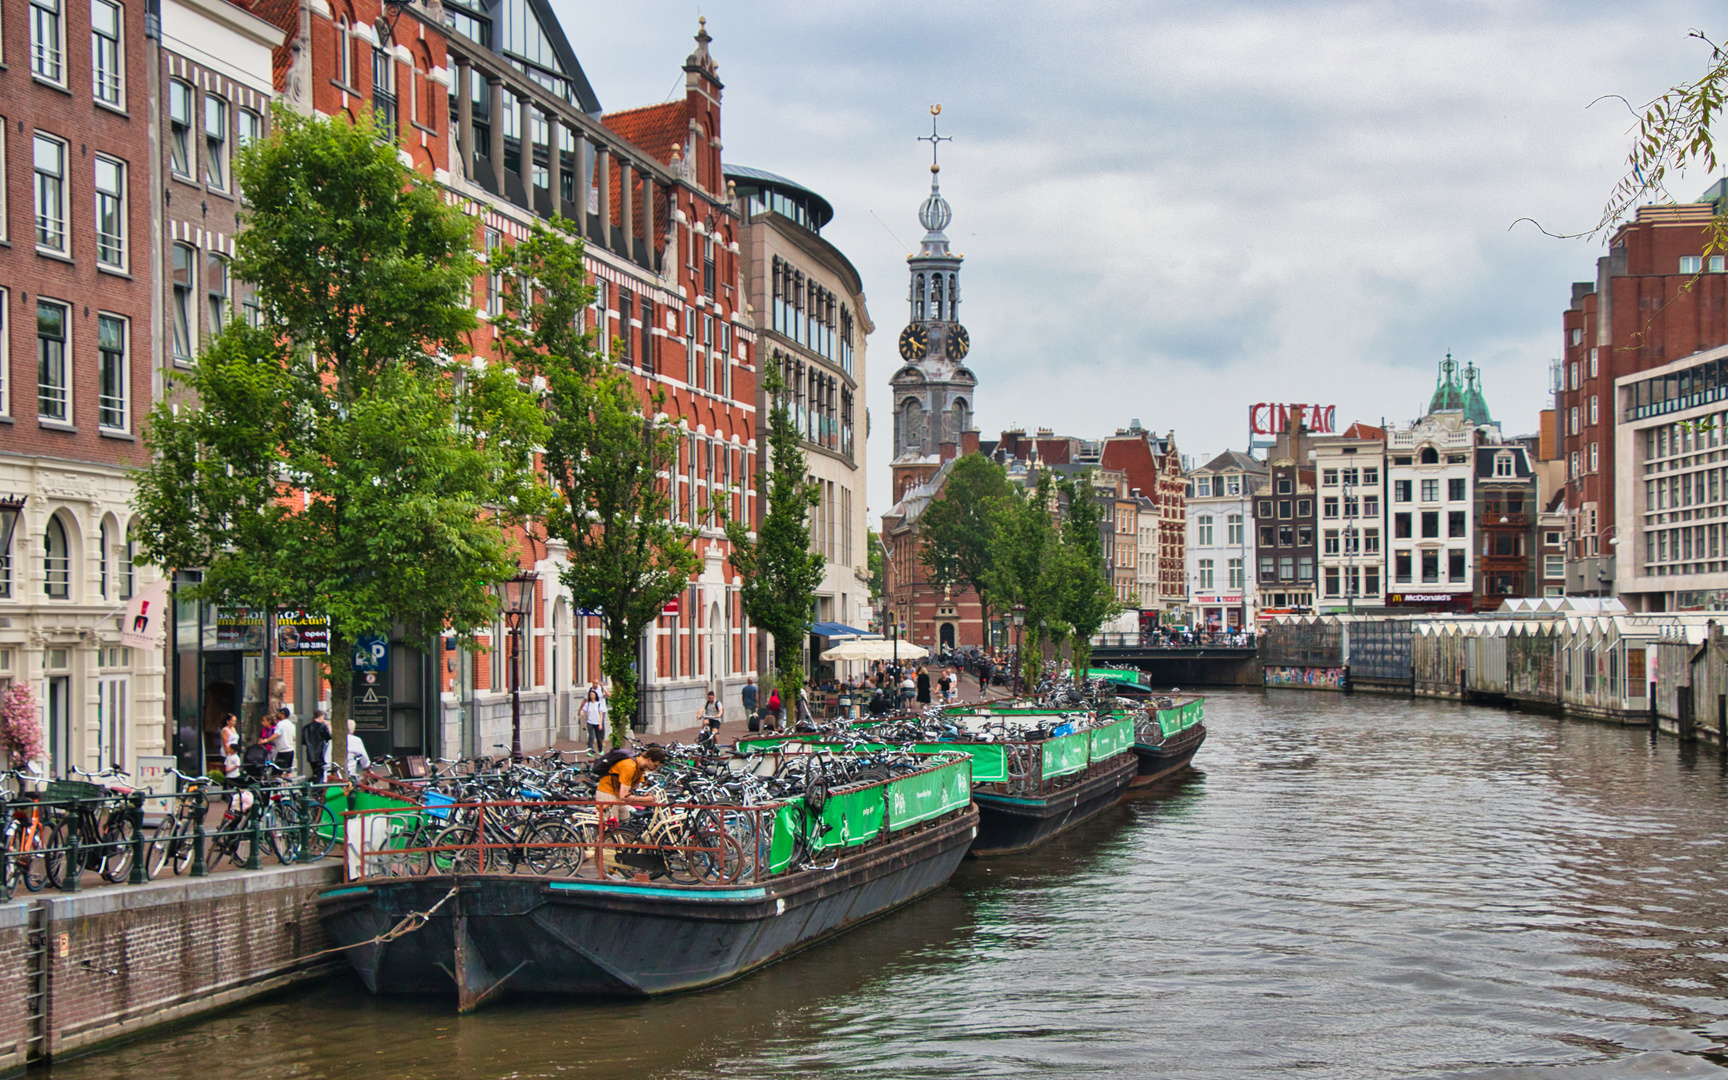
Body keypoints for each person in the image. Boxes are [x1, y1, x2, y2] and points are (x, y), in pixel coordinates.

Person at [302, 709, 332, 781]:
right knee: (320, 774)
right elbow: (328, 737)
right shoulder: (323, 726)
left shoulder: (306, 727)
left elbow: (303, 741)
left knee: (315, 772)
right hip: (320, 754)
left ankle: (313, 787)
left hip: (310, 754)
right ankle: (317, 789)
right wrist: (328, 726)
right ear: (321, 716)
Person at [270, 707, 296, 772]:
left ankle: (279, 781)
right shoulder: (291, 724)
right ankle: (287, 782)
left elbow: (277, 734)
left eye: (279, 713)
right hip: (291, 750)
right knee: (288, 771)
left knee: (277, 771)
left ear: (282, 714)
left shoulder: (280, 724)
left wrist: (266, 740)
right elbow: (294, 738)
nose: (278, 714)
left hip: (283, 751)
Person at [580, 688, 605, 753]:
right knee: (591, 737)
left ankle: (600, 750)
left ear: (595, 696)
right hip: (590, 722)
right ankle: (590, 751)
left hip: (597, 722)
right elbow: (585, 714)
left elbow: (601, 714)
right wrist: (584, 724)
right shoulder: (587, 704)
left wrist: (600, 724)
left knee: (598, 737)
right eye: (590, 695)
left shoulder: (598, 704)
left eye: (593, 695)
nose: (591, 696)